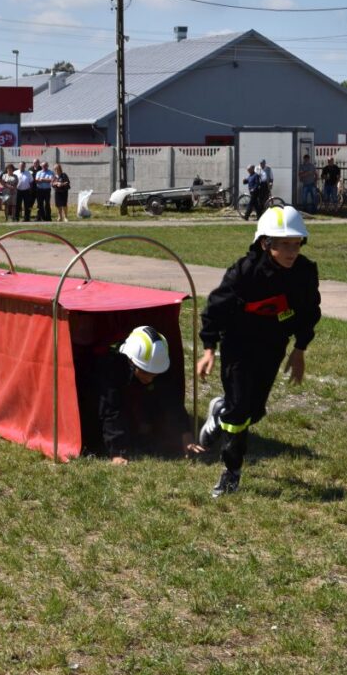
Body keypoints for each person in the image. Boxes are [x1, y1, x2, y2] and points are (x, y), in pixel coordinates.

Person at [196, 205, 321, 498]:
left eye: (297, 244)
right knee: (239, 413)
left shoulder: (304, 272)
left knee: (255, 411)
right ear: (266, 243)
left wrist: (299, 349)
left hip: (273, 346)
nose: (292, 251)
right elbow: (215, 307)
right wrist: (209, 348)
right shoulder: (244, 272)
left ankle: (219, 410)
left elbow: (308, 312)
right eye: (285, 245)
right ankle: (231, 472)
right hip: (238, 345)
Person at [71, 321, 198, 464]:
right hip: (92, 405)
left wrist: (186, 434)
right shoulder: (110, 368)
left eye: (154, 374)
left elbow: (171, 399)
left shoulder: (157, 366)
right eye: (145, 372)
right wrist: (117, 453)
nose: (150, 379)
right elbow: (111, 411)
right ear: (131, 362)